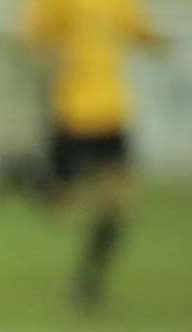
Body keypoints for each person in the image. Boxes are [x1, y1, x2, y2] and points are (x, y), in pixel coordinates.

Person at [22, 0, 165, 309]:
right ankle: (20, 174)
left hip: (113, 111)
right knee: (61, 205)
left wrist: (159, 41)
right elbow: (36, 39)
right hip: (73, 111)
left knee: (119, 203)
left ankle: (87, 286)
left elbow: (140, 32)